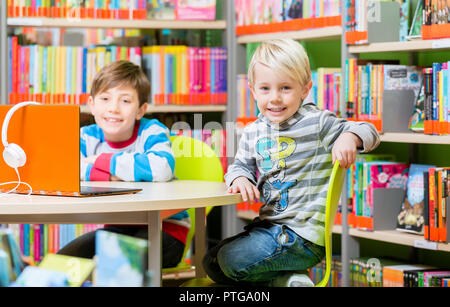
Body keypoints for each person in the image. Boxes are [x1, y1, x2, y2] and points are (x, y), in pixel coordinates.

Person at [202, 39, 380, 287]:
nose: (274, 98)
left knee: (231, 260)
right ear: (253, 91)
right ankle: (286, 279)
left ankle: (281, 277)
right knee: (210, 262)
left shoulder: (316, 122)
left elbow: (369, 130)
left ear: (305, 89)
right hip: (267, 229)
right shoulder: (253, 131)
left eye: (285, 88)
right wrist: (239, 178)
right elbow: (239, 165)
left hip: (301, 237)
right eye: (265, 89)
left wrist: (350, 137)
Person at [58, 60, 188, 269]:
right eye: (105, 98)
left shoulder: (152, 131)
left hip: (166, 229)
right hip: (117, 229)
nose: (113, 108)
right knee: (63, 262)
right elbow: (66, 168)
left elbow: (161, 168)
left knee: (115, 266)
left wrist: (100, 161)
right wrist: (116, 175)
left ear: (140, 110)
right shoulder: (87, 136)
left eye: (125, 101)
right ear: (92, 105)